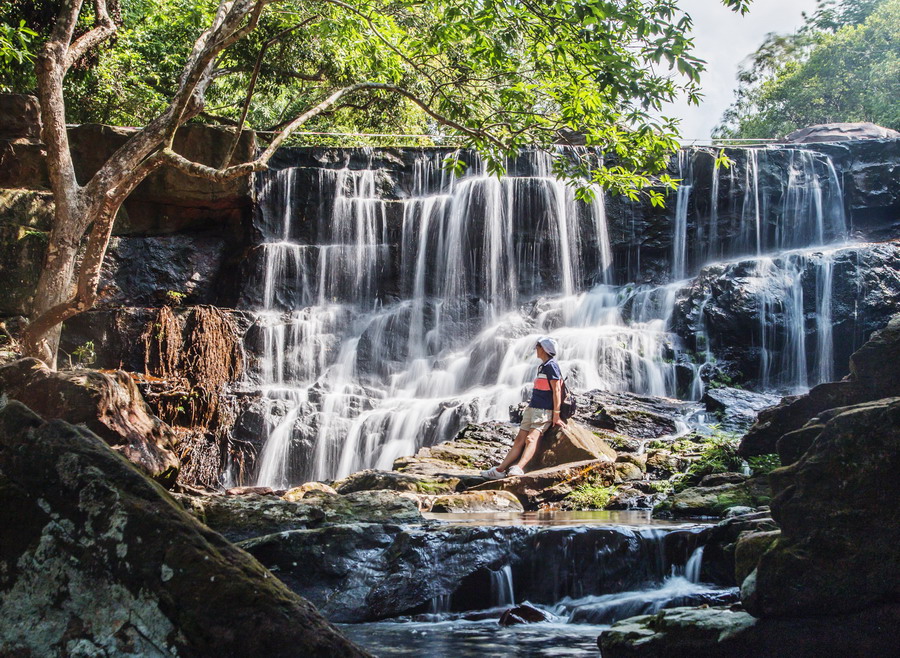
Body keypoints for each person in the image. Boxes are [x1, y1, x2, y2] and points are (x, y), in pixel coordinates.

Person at [482, 335, 566, 479]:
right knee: (519, 440)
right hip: (532, 409)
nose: (535, 349)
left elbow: (557, 389)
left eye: (537, 347)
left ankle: (519, 468)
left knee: (531, 439)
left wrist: (556, 415)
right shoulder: (544, 366)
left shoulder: (552, 365)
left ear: (544, 349)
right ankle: (500, 470)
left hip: (543, 411)